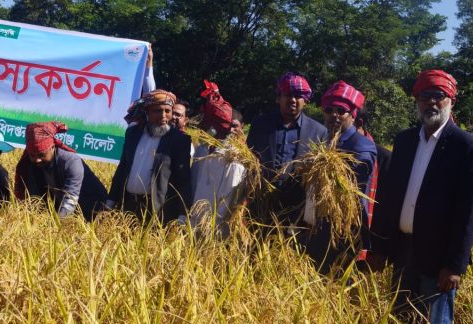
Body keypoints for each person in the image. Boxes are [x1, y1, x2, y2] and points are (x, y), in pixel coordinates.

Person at [368, 69, 473, 324]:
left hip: (438, 260)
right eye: (425, 96)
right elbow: (389, 197)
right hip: (403, 252)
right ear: (417, 101)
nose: (431, 102)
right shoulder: (405, 141)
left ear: (451, 101)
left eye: (438, 96)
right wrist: (379, 248)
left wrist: (455, 265)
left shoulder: (466, 145)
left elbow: (468, 211)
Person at [300, 81, 376, 274]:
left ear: (352, 114)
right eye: (328, 109)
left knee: (336, 287)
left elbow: (356, 179)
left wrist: (326, 166)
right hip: (312, 228)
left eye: (341, 110)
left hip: (341, 233)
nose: (334, 114)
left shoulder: (361, 146)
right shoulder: (320, 141)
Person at [246, 72, 327, 230]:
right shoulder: (260, 124)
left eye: (298, 96)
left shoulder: (319, 132)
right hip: (260, 205)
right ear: (279, 98)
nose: (293, 100)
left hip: (296, 209)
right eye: (288, 95)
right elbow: (248, 161)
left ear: (305, 100)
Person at [107, 89, 192, 224]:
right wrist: (109, 203)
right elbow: (123, 168)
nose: (163, 116)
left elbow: (184, 180)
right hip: (127, 206)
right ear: (147, 112)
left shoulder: (180, 140)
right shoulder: (133, 133)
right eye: (157, 111)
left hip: (158, 211)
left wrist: (182, 216)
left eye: (167, 111)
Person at [14, 121, 108, 220]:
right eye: (32, 155)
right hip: (61, 207)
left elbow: (70, 199)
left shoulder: (71, 161)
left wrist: (57, 224)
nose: (37, 159)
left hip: (92, 207)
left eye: (41, 155)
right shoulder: (30, 163)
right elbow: (34, 196)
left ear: (52, 147)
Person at [190, 81, 246, 238]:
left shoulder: (234, 158)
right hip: (192, 224)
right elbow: (193, 184)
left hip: (215, 231)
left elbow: (227, 200)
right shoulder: (202, 150)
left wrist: (212, 230)